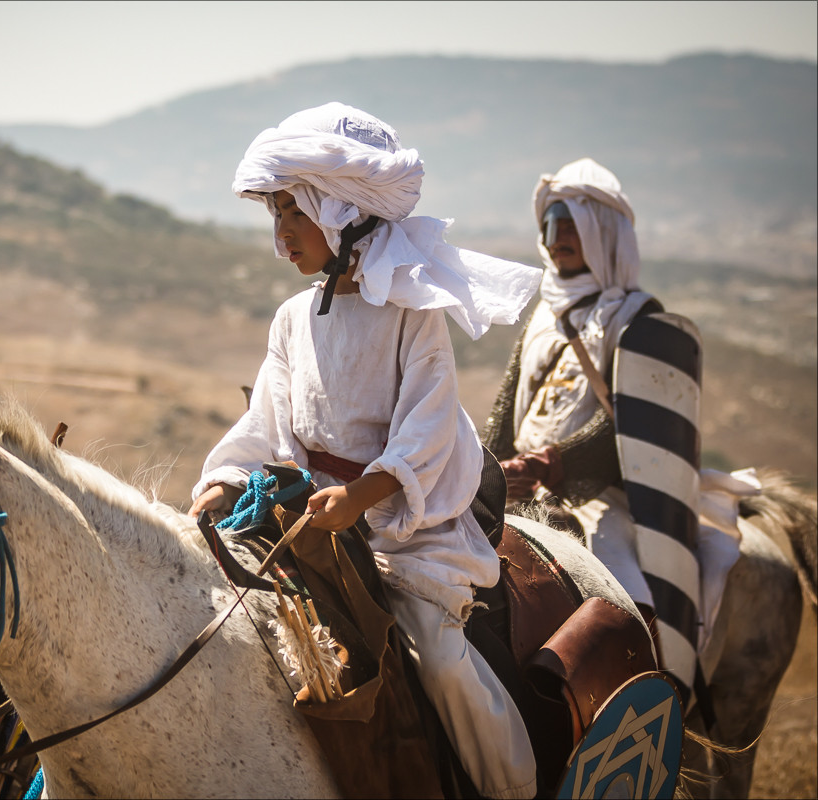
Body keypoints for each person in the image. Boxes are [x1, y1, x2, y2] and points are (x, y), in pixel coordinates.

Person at [188, 102, 542, 799]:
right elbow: (265, 421)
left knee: (438, 664)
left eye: (296, 214)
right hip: (307, 524)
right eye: (275, 216)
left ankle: (514, 787)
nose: (282, 234)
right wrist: (223, 482)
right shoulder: (292, 319)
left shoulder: (414, 312)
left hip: (405, 537)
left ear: (345, 213)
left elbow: (430, 425)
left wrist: (361, 497)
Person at [478, 158, 679, 674]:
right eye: (552, 223)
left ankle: (650, 687)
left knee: (619, 581)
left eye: (572, 225)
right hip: (523, 485)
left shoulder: (640, 318)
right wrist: (493, 467)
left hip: (599, 492)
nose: (558, 235)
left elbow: (634, 422)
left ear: (604, 233)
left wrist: (549, 464)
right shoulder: (544, 314)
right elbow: (506, 408)